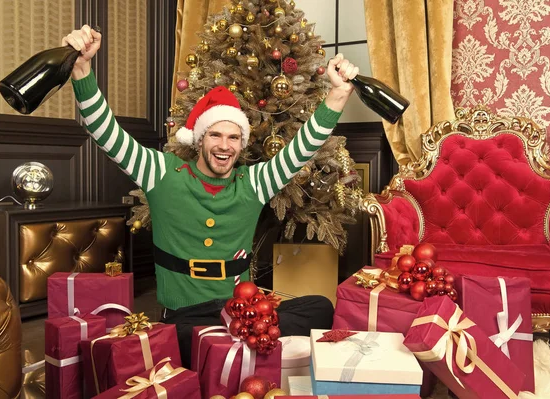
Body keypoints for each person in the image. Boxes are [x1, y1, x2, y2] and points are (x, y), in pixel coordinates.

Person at [63, 25, 359, 367]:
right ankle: (241, 346)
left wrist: (337, 95)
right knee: (189, 336)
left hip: (240, 309)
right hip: (187, 316)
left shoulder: (254, 181)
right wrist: (83, 71)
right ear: (200, 139)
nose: (224, 145)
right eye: (215, 135)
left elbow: (302, 148)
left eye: (233, 137)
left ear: (242, 144)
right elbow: (107, 133)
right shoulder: (160, 172)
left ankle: (236, 342)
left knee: (320, 307)